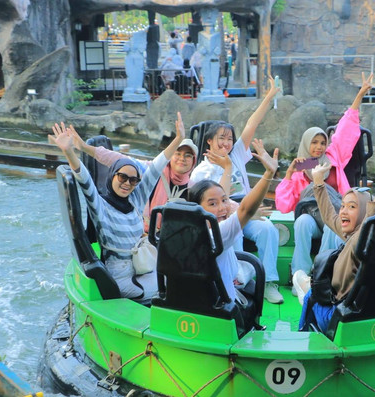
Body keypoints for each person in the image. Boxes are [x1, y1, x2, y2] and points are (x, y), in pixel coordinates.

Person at [49, 113, 187, 304]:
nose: (127, 183)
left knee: (179, 272)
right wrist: (69, 152)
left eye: (133, 180)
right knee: (173, 286)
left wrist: (179, 139)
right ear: (113, 176)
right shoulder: (101, 206)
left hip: (140, 267)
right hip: (121, 278)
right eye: (122, 177)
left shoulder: (135, 200)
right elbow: (84, 179)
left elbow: (157, 166)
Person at [190, 77, 284, 303]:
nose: (226, 143)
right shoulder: (201, 172)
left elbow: (251, 124)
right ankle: (237, 279)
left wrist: (269, 96)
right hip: (223, 216)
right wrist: (242, 209)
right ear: (209, 142)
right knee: (234, 231)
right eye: (220, 138)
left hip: (247, 208)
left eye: (229, 138)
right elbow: (214, 203)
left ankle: (269, 281)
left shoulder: (236, 155)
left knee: (268, 230)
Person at [276, 72, 373, 283]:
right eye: (314, 143)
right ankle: (299, 274)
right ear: (306, 144)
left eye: (322, 142)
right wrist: (288, 176)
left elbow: (346, 128)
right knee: (301, 221)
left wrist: (360, 96)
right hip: (312, 219)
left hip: (334, 217)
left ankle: (324, 275)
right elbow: (284, 206)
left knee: (332, 223)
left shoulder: (332, 156)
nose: (319, 147)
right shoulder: (302, 166)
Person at [292, 164, 375, 333]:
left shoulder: (361, 239)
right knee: (310, 287)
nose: (344, 212)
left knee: (311, 294)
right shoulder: (354, 233)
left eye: (352, 207)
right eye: (343, 206)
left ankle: (303, 331)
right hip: (354, 311)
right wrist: (318, 182)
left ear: (364, 212)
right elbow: (329, 216)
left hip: (338, 318)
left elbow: (367, 227)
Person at [66, 125, 208, 232]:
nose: (182, 159)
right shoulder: (153, 171)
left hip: (176, 240)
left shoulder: (194, 187)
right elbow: (120, 159)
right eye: (178, 153)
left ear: (194, 160)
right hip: (144, 235)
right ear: (171, 156)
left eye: (188, 155)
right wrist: (85, 147)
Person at [188, 140, 279, 304]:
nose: (222, 208)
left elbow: (225, 201)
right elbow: (246, 210)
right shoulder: (216, 234)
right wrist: (268, 174)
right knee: (252, 267)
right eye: (212, 204)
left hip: (203, 299)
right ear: (197, 208)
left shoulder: (190, 228)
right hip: (224, 306)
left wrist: (227, 170)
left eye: (224, 201)